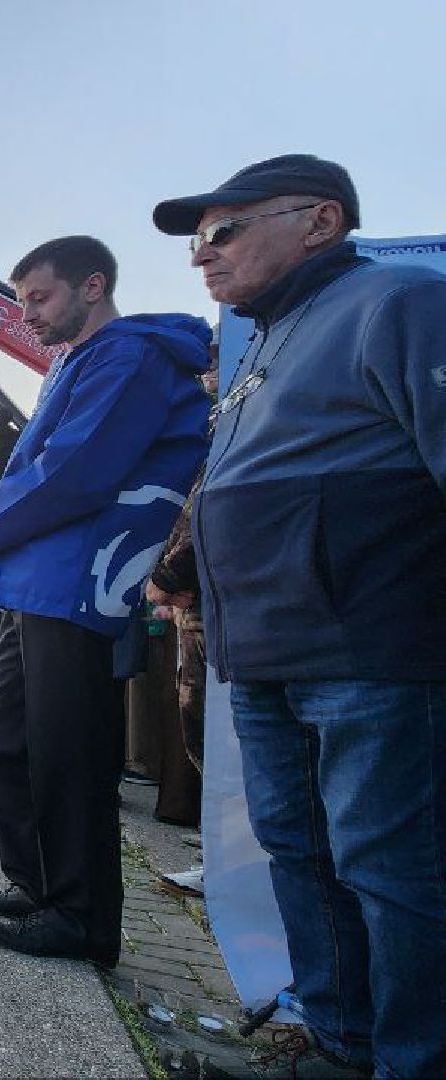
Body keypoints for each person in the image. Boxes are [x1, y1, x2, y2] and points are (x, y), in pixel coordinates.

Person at [152, 155, 446, 1077]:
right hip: (269, 654)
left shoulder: (396, 304)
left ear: (319, 221)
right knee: (297, 853)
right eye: (197, 240)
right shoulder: (262, 346)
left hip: (369, 654)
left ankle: (412, 1060)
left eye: (221, 230)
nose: (202, 255)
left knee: (391, 872)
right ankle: (335, 1045)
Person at [0, 234, 209, 969]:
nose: (26, 314)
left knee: (68, 752)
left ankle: (82, 916)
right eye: (19, 301)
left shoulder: (128, 356)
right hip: (35, 577)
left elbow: (73, 473)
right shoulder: (78, 361)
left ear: (91, 285)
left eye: (40, 297)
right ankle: (37, 883)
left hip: (77, 577)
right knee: (3, 735)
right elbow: (29, 462)